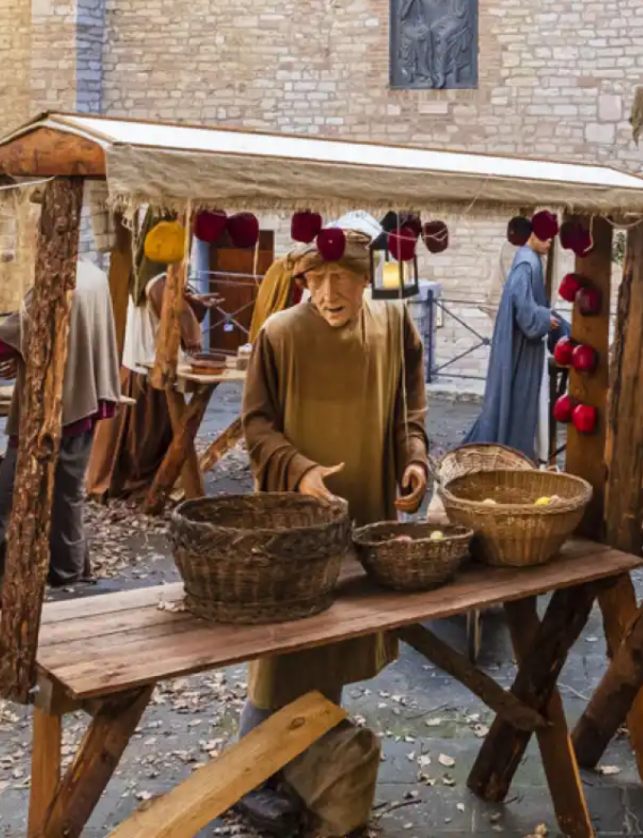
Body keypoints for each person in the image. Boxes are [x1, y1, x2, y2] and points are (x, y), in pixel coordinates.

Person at [237, 214, 428, 833]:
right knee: (281, 651)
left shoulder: (394, 324)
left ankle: (305, 762)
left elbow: (410, 403)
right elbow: (257, 424)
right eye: (315, 278)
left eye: (341, 277)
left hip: (363, 515)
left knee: (335, 641)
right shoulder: (280, 334)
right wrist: (297, 472)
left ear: (366, 275)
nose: (328, 293)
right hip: (296, 525)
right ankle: (253, 775)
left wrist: (415, 459)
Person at [0, 260, 120, 586]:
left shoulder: (56, 282)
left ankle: (44, 574)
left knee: (8, 492)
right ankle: (69, 569)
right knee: (69, 491)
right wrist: (20, 353)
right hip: (85, 396)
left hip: (60, 407)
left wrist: (13, 349)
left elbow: (15, 332)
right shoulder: (92, 273)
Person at [86, 211, 215, 502]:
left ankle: (150, 478)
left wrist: (193, 302)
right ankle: (143, 483)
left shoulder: (150, 274)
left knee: (150, 433)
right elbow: (171, 304)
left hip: (140, 361)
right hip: (147, 364)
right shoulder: (157, 276)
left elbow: (171, 301)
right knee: (145, 438)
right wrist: (192, 331)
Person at [464, 228, 561, 459]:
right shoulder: (527, 264)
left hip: (519, 344)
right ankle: (511, 457)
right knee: (516, 402)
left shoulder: (529, 259)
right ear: (532, 235)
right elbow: (525, 312)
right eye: (546, 237)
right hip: (520, 348)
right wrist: (546, 319)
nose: (549, 242)